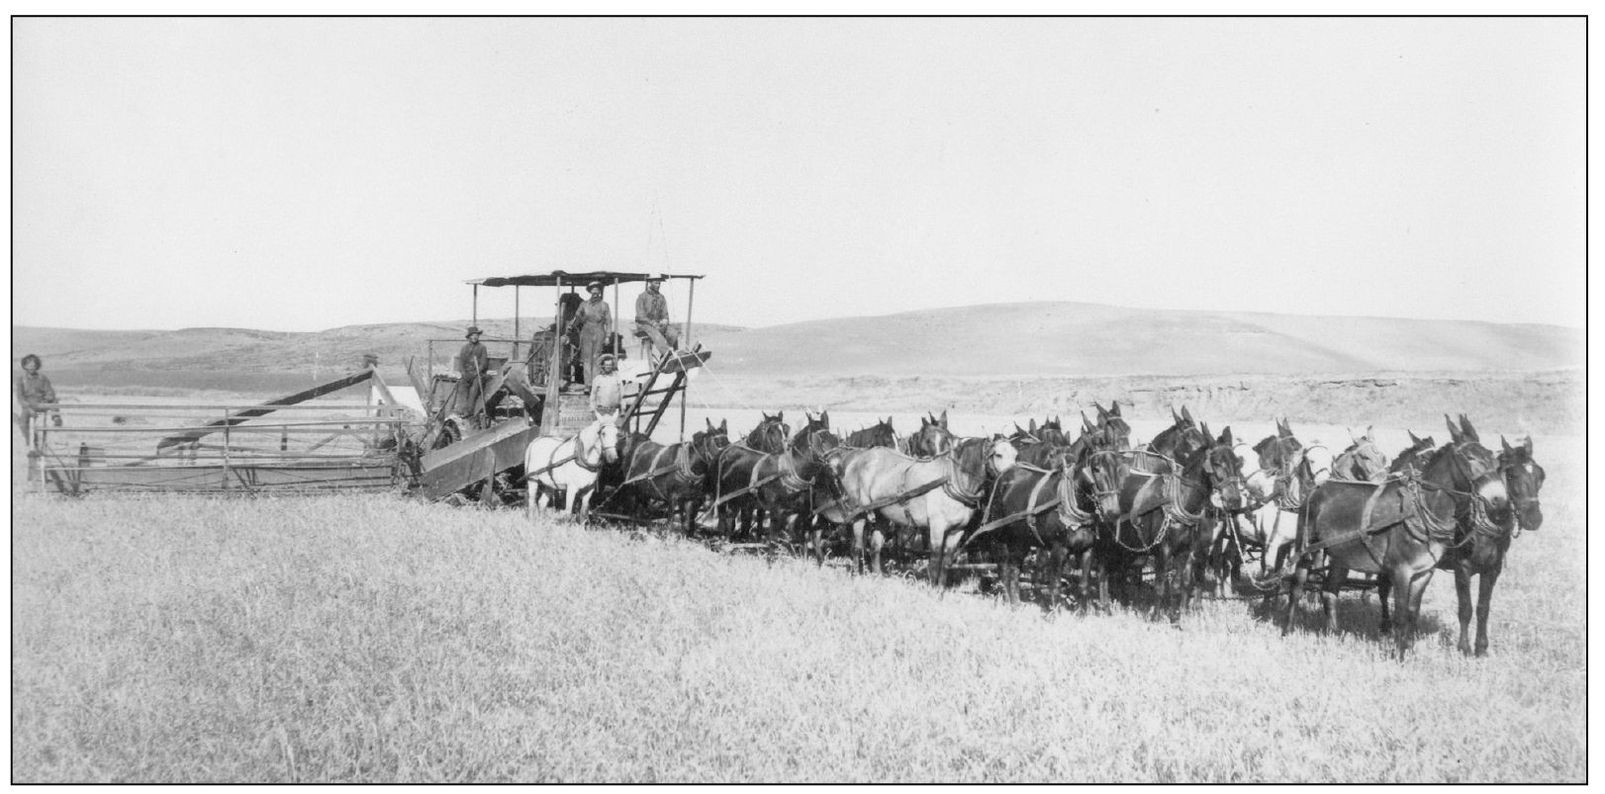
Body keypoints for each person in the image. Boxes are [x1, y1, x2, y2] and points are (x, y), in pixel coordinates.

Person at [568, 282, 612, 387]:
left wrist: (608, 336)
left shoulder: (604, 305)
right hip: (586, 331)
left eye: (597, 292)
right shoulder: (584, 304)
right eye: (593, 291)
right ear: (590, 292)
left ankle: (595, 384)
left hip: (599, 331)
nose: (595, 294)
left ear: (600, 292)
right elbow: (577, 317)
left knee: (596, 358)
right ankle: (587, 385)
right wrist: (571, 325)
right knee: (586, 359)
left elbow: (609, 321)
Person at [13, 353, 60, 445]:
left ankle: (56, 418)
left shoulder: (42, 378)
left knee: (54, 400)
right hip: (29, 405)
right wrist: (28, 408)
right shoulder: (21, 379)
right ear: (25, 366)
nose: (31, 367)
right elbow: (20, 397)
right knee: (23, 423)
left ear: (37, 365)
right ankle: (32, 442)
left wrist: (47, 398)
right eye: (28, 364)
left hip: (42, 403)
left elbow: (49, 391)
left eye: (33, 364)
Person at [634, 276, 680, 360]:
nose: (658, 285)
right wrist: (652, 323)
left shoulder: (661, 298)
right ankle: (667, 355)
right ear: (650, 283)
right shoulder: (642, 297)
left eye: (659, 283)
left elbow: (665, 313)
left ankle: (675, 356)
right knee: (656, 335)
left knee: (673, 333)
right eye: (656, 283)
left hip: (658, 324)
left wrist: (665, 320)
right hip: (644, 325)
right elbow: (640, 316)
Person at [453, 326, 490, 428]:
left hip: (478, 373)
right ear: (469, 337)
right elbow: (461, 363)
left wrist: (475, 373)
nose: (475, 337)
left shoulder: (482, 348)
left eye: (476, 335)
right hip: (467, 373)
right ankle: (461, 409)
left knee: (475, 387)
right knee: (462, 386)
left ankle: (469, 410)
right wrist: (464, 373)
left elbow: (483, 364)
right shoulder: (464, 348)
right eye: (473, 335)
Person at [589, 353, 624, 417]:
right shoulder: (597, 379)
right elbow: (593, 396)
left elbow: (622, 395)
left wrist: (623, 409)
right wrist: (592, 410)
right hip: (601, 411)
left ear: (612, 366)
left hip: (614, 411)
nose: (608, 367)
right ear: (603, 366)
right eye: (606, 365)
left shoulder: (617, 378)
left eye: (610, 365)